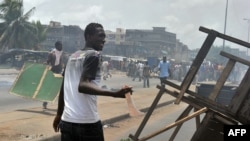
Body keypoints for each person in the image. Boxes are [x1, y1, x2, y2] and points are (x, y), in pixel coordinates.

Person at [52, 23, 133, 141]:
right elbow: (83, 85)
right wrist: (114, 93)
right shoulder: (94, 55)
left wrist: (59, 114)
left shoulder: (73, 56)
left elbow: (63, 88)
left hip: (67, 123)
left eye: (104, 36)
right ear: (89, 36)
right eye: (100, 36)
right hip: (87, 125)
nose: (104, 40)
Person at [43, 41, 63, 109]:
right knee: (49, 88)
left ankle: (61, 105)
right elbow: (48, 61)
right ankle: (45, 102)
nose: (61, 47)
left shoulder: (61, 53)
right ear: (57, 46)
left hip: (59, 72)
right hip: (52, 72)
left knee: (59, 89)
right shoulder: (52, 53)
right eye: (60, 46)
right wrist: (45, 63)